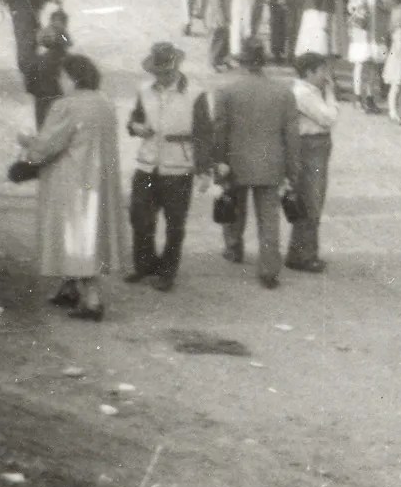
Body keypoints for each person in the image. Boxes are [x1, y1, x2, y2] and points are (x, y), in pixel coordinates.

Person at [16, 52, 126, 320]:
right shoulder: (105, 103)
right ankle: (69, 287)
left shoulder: (66, 106)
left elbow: (48, 145)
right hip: (99, 179)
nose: (60, 82)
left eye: (63, 77)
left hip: (71, 179)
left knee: (76, 236)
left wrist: (27, 143)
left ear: (73, 78)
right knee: (88, 234)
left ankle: (92, 300)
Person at [210, 38, 301, 289]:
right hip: (271, 163)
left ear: (242, 62)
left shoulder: (227, 92)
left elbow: (219, 131)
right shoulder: (283, 92)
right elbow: (292, 136)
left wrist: (219, 162)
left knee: (234, 206)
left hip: (236, 162)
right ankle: (269, 268)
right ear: (264, 62)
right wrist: (293, 170)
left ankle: (233, 247)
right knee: (269, 217)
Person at [125, 42, 213, 293]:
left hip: (178, 167)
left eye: (166, 72)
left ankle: (167, 272)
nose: (162, 77)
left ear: (176, 68)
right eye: (158, 72)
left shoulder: (195, 93)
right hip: (147, 163)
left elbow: (204, 133)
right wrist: (135, 127)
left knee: (175, 223)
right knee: (140, 218)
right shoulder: (144, 90)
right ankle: (144, 264)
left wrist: (204, 170)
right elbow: (134, 120)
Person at [287, 52, 340, 273]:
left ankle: (301, 251)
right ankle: (304, 255)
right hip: (311, 147)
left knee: (311, 199)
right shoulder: (304, 94)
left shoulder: (309, 91)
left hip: (314, 146)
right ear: (309, 72)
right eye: (322, 71)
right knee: (312, 200)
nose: (325, 76)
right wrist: (331, 94)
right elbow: (328, 118)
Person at [345, 0, 392, 114]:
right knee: (360, 63)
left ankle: (370, 97)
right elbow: (349, 5)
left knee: (373, 64)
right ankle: (358, 96)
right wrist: (352, 7)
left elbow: (390, 5)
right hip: (361, 28)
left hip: (377, 28)